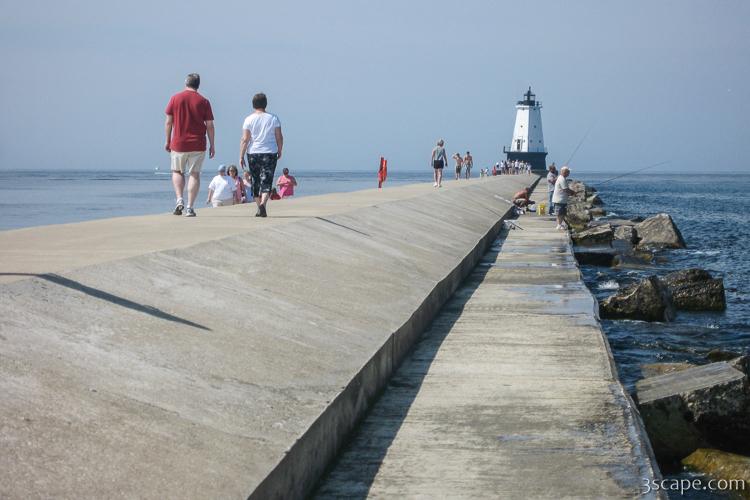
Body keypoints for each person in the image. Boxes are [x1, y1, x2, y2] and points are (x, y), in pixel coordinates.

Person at [165, 73, 215, 217]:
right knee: (194, 174)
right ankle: (189, 207)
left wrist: (167, 140)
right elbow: (210, 125)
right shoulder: (204, 101)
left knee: (177, 171)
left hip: (179, 143)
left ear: (186, 83)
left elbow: (169, 122)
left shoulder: (175, 98)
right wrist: (212, 144)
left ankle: (179, 199)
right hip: (198, 144)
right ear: (198, 84)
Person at [239, 93, 283, 218]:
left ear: (253, 105)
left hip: (253, 152)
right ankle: (263, 204)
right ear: (266, 104)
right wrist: (280, 150)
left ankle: (259, 206)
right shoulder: (273, 118)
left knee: (255, 180)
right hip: (270, 152)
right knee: (267, 180)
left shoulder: (248, 119)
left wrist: (241, 156)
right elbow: (279, 137)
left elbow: (245, 139)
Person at [552, 166, 575, 230]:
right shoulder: (562, 179)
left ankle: (560, 224)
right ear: (565, 172)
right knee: (560, 213)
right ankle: (559, 225)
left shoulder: (561, 178)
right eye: (568, 172)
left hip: (561, 199)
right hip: (559, 200)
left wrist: (571, 193)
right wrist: (573, 193)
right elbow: (565, 189)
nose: (569, 173)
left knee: (561, 213)